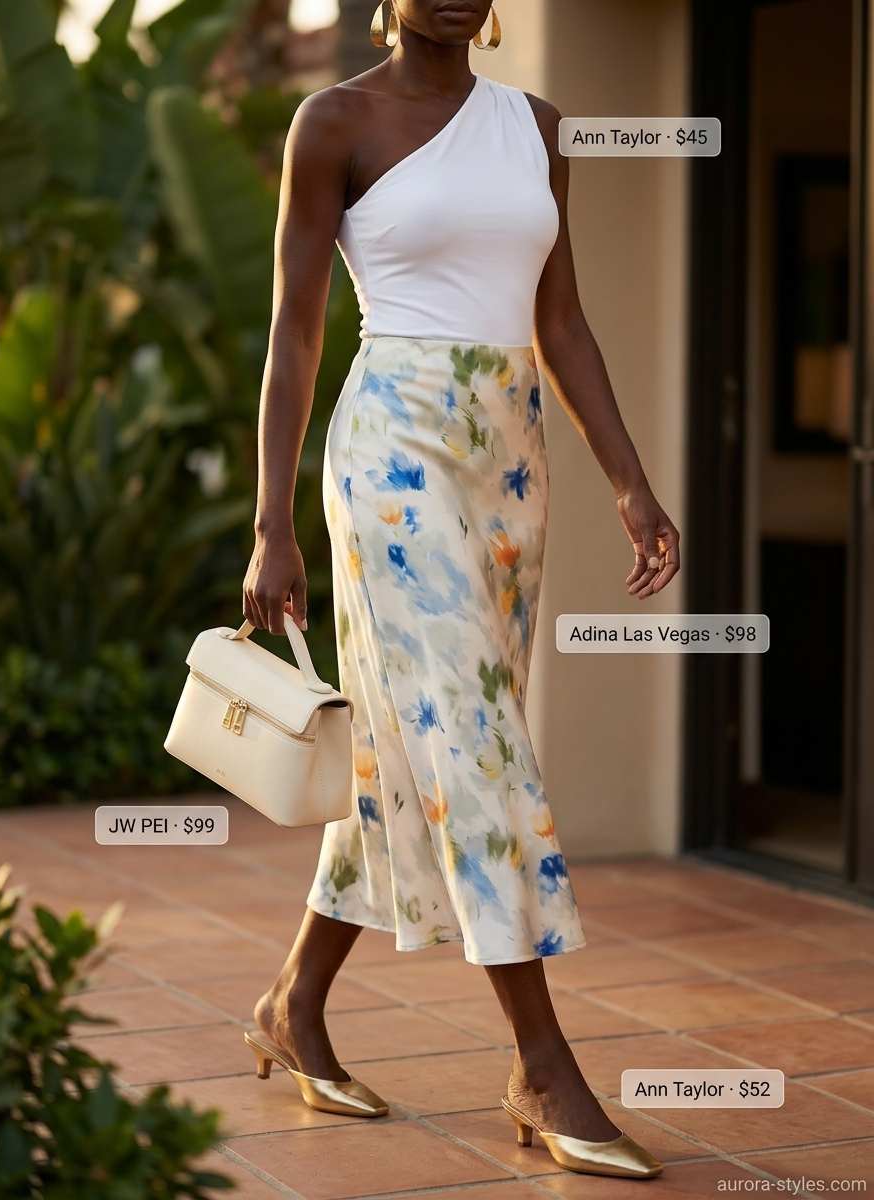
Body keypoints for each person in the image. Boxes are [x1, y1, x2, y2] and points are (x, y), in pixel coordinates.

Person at [241, 0, 679, 1180]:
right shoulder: (333, 121)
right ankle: (540, 1064)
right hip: (390, 453)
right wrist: (270, 522)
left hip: (510, 457)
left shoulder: (536, 127)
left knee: (411, 749)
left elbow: (561, 318)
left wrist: (631, 483)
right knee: (478, 744)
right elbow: (293, 332)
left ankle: (294, 1004)